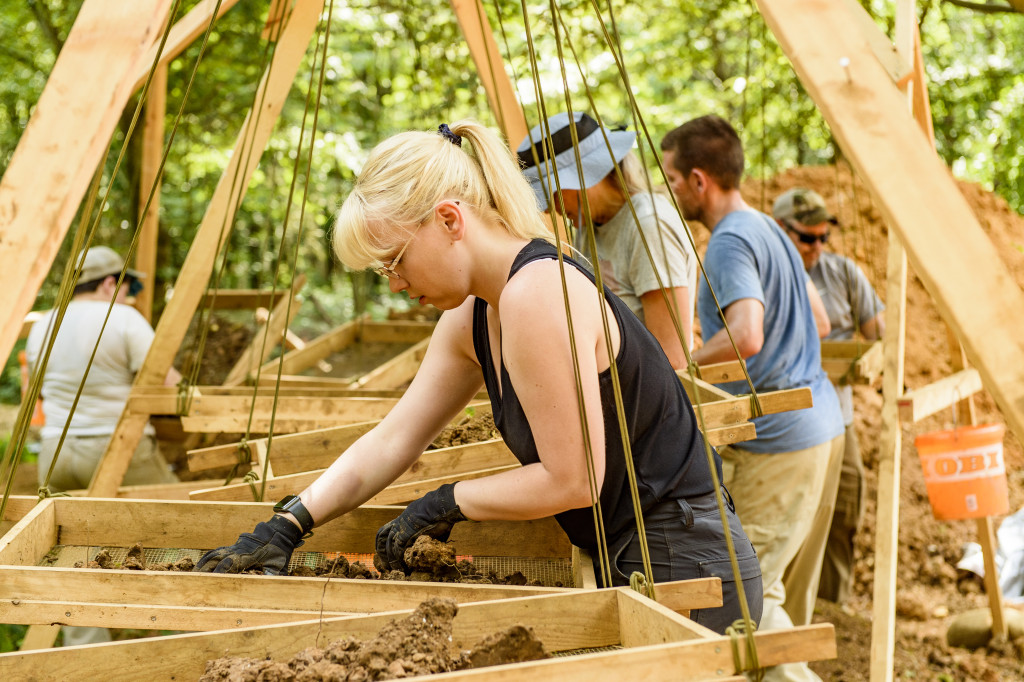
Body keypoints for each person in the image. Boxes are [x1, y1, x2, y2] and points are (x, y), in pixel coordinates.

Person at [195, 120, 762, 635]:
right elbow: (395, 437)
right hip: (631, 551)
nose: (394, 283)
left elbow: (576, 479)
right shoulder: (473, 313)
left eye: (394, 261)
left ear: (448, 220)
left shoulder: (539, 291)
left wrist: (445, 500)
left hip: (686, 559)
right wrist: (291, 522)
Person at [660, 115, 844, 681]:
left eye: (669, 178)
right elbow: (820, 317)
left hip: (778, 448)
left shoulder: (730, 241)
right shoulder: (767, 228)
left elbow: (746, 334)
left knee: (748, 604)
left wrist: (685, 367)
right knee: (773, 595)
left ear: (698, 180)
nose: (667, 190)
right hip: (820, 428)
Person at [25, 245, 180, 646]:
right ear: (111, 283)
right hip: (118, 450)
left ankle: (88, 655)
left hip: (56, 451)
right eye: (126, 288)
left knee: (70, 554)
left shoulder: (43, 324)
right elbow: (168, 384)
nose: (128, 296)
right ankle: (180, 637)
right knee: (182, 531)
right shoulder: (124, 318)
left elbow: (33, 393)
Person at [773, 187, 884, 604]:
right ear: (782, 231)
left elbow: (881, 334)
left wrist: (872, 363)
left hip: (839, 414)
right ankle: (778, 600)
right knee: (790, 512)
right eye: (808, 238)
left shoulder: (842, 273)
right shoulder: (767, 273)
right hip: (784, 416)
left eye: (824, 237)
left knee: (845, 506)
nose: (817, 246)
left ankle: (833, 604)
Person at [516, 112, 697, 367]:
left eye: (552, 193)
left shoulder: (648, 226)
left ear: (588, 177)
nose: (548, 209)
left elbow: (671, 356)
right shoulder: (590, 225)